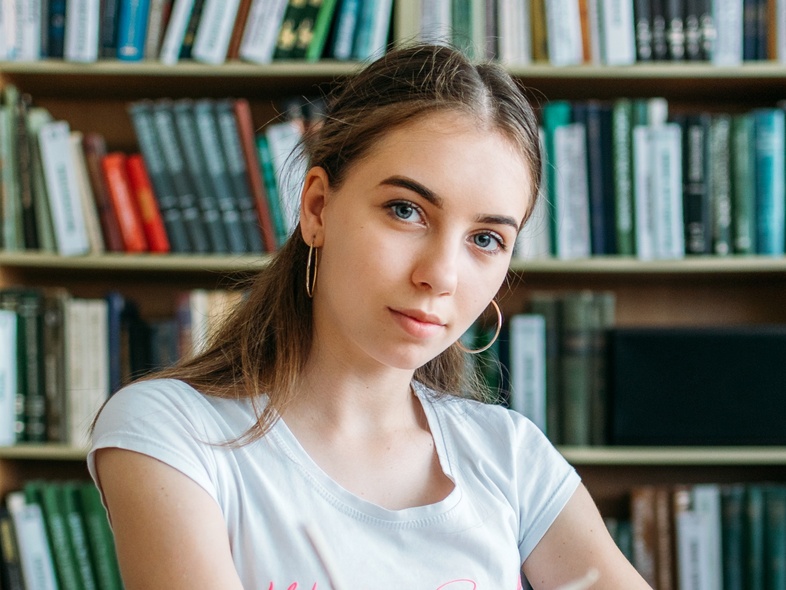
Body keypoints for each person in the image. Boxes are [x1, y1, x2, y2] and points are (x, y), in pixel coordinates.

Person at [88, 44, 651, 589]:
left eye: (485, 238)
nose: (441, 275)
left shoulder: (510, 455)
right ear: (317, 208)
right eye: (406, 211)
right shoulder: (170, 431)